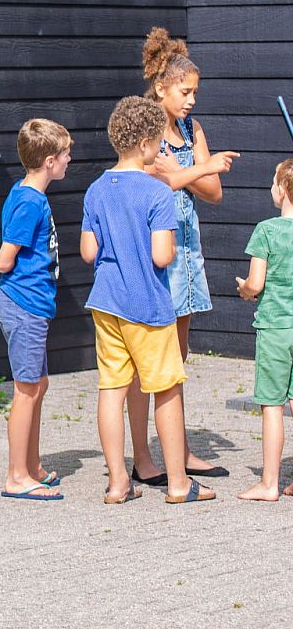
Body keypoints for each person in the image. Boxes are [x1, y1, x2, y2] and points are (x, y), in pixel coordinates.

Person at [81, 95, 213, 504]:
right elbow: (162, 256)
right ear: (143, 145)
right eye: (158, 142)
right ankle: (179, 484)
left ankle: (118, 482)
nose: (161, 149)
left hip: (106, 303)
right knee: (167, 388)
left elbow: (88, 251)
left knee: (112, 389)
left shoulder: (96, 190)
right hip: (148, 306)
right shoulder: (157, 193)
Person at [127, 27, 239, 488]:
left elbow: (214, 191)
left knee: (178, 355)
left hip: (187, 254)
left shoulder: (193, 131)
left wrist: (189, 171)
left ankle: (180, 449)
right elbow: (157, 181)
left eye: (195, 92)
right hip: (159, 254)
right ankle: (142, 456)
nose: (191, 100)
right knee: (148, 360)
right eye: (185, 92)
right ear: (161, 88)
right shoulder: (146, 131)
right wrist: (200, 168)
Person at [0, 118, 73, 500]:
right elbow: (3, 260)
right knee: (26, 390)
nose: (69, 160)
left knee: (38, 385)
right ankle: (16, 477)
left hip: (34, 306)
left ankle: (32, 465)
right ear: (49, 161)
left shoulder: (26, 192)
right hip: (23, 304)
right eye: (65, 154)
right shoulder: (30, 202)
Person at [235, 158, 293, 501]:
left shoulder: (267, 230)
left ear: (283, 189)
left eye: (273, 182)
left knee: (272, 404)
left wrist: (245, 289)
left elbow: (256, 284)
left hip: (275, 328)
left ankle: (270, 483)